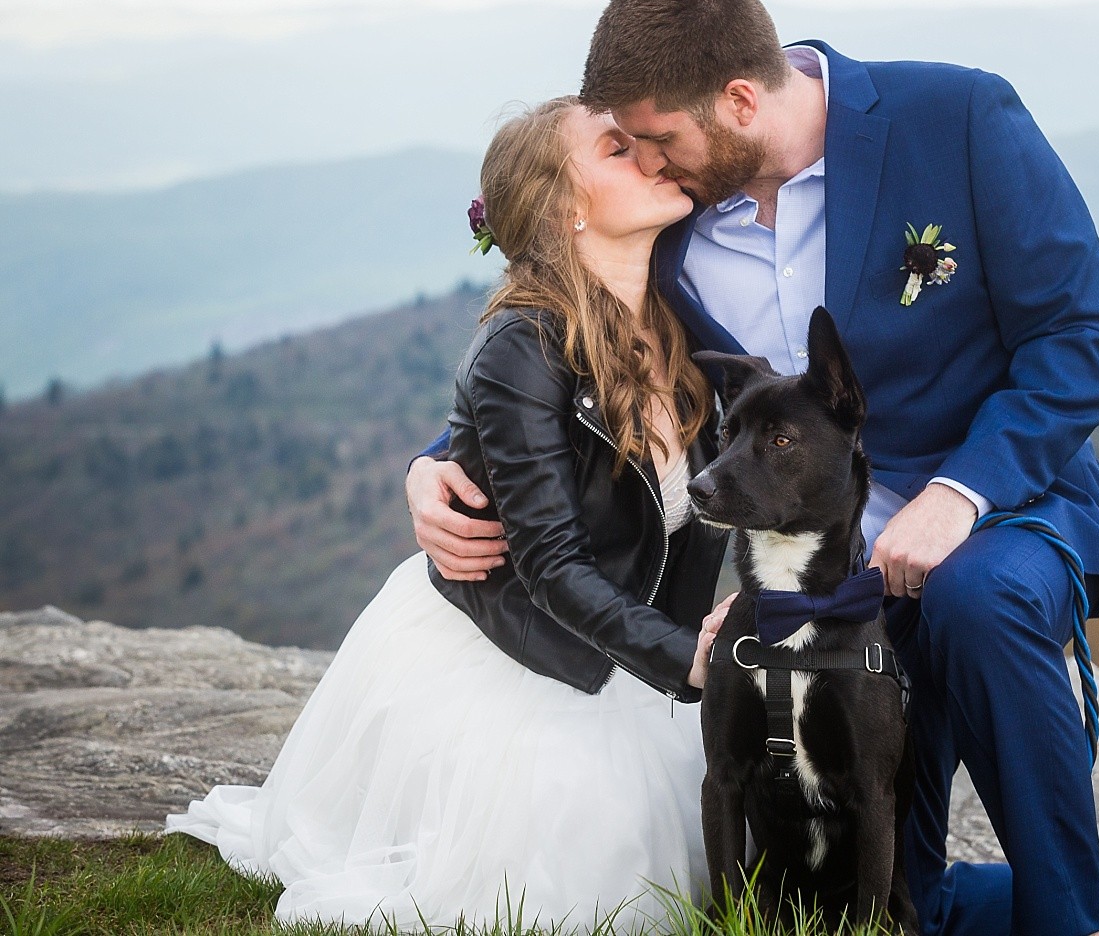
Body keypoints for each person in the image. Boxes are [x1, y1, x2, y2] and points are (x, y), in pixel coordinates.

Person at [407, 0, 1099, 936]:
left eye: (659, 140)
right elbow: (570, 320)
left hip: (997, 517)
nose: (652, 167)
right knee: (877, 904)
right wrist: (441, 455)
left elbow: (1086, 335)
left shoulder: (958, 120)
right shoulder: (681, 218)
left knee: (977, 594)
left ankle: (1067, 920)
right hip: (818, 588)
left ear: (739, 99)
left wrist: (958, 492)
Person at [166, 96, 736, 932]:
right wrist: (688, 658)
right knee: (585, 887)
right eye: (618, 150)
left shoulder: (686, 316)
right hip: (530, 648)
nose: (652, 156)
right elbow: (549, 567)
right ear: (566, 209)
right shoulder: (523, 348)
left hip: (632, 643)